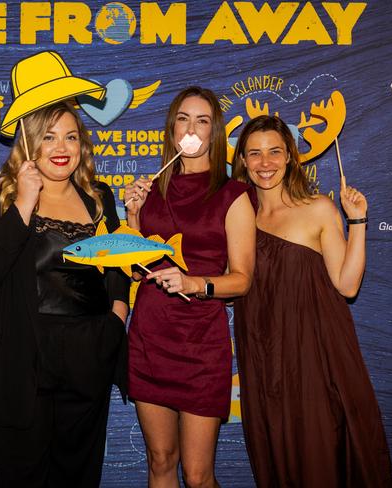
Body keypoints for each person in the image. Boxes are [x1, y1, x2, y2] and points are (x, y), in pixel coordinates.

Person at [0, 101, 129, 487]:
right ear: (29, 143)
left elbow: (119, 260)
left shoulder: (98, 197)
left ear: (82, 145)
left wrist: (116, 316)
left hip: (87, 358)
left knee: (77, 474)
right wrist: (24, 202)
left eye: (71, 137)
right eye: (49, 136)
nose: (61, 147)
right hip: (18, 363)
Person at [231, 115, 392, 487]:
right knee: (276, 454)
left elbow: (348, 285)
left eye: (274, 151)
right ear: (242, 161)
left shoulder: (318, 208)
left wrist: (358, 222)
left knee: (320, 452)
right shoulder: (238, 216)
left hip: (312, 357)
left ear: (290, 156)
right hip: (262, 357)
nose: (265, 163)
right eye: (254, 154)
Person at [124, 86, 256, 488]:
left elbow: (243, 279)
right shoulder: (151, 190)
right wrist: (131, 215)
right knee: (161, 459)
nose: (192, 127)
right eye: (183, 118)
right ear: (172, 128)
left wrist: (193, 282)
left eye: (202, 120)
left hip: (201, 344)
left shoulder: (233, 194)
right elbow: (134, 269)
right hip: (150, 336)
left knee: (198, 476)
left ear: (214, 132)